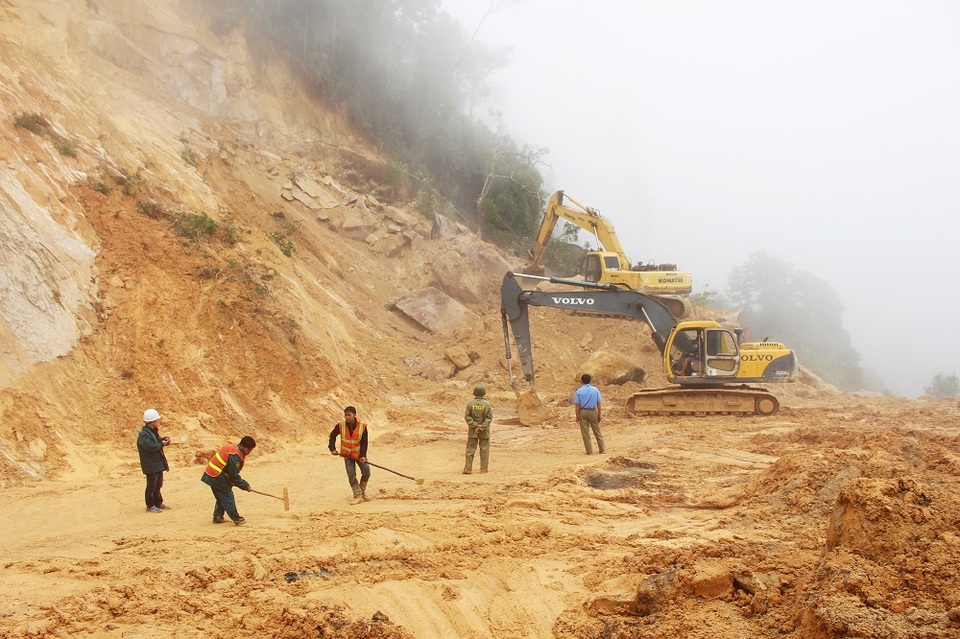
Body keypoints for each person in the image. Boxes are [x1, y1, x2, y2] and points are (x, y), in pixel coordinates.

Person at [200, 436, 256, 526]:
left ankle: (218, 517)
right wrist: (245, 486)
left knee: (221, 497)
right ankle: (237, 520)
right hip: (216, 475)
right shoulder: (235, 456)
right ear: (242, 446)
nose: (249, 452)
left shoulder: (233, 448)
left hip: (212, 473)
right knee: (227, 496)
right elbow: (234, 476)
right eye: (248, 449)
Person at [329, 406, 371, 505]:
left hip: (358, 455)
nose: (347, 417)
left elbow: (364, 442)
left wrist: (362, 456)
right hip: (347, 455)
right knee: (351, 475)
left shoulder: (362, 427)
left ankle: (362, 492)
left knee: (366, 472)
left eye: (349, 415)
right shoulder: (340, 426)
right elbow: (332, 436)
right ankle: (357, 495)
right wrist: (332, 448)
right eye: (345, 415)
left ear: (354, 415)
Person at [137, 408, 170, 513]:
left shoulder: (152, 432)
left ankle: (158, 502)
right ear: (152, 421)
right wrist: (161, 444)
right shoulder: (144, 435)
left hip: (157, 463)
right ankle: (150, 505)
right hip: (151, 465)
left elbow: (155, 442)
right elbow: (150, 446)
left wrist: (163, 440)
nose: (159, 421)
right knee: (152, 485)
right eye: (157, 419)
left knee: (158, 484)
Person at [463, 385, 492, 474]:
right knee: (484, 450)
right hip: (484, 431)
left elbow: (467, 417)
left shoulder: (470, 404)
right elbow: (489, 418)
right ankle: (483, 469)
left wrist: (475, 426)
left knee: (470, 450)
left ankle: (468, 469)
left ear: (474, 393)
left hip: (473, 431)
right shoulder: (487, 404)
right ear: (484, 393)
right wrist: (481, 427)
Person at [574, 374, 605, 454]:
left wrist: (577, 415)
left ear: (581, 381)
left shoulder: (579, 391)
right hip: (593, 411)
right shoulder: (595, 390)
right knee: (597, 430)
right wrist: (600, 414)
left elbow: (577, 405)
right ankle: (602, 449)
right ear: (590, 380)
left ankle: (589, 451)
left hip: (583, 412)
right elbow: (599, 403)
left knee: (585, 433)